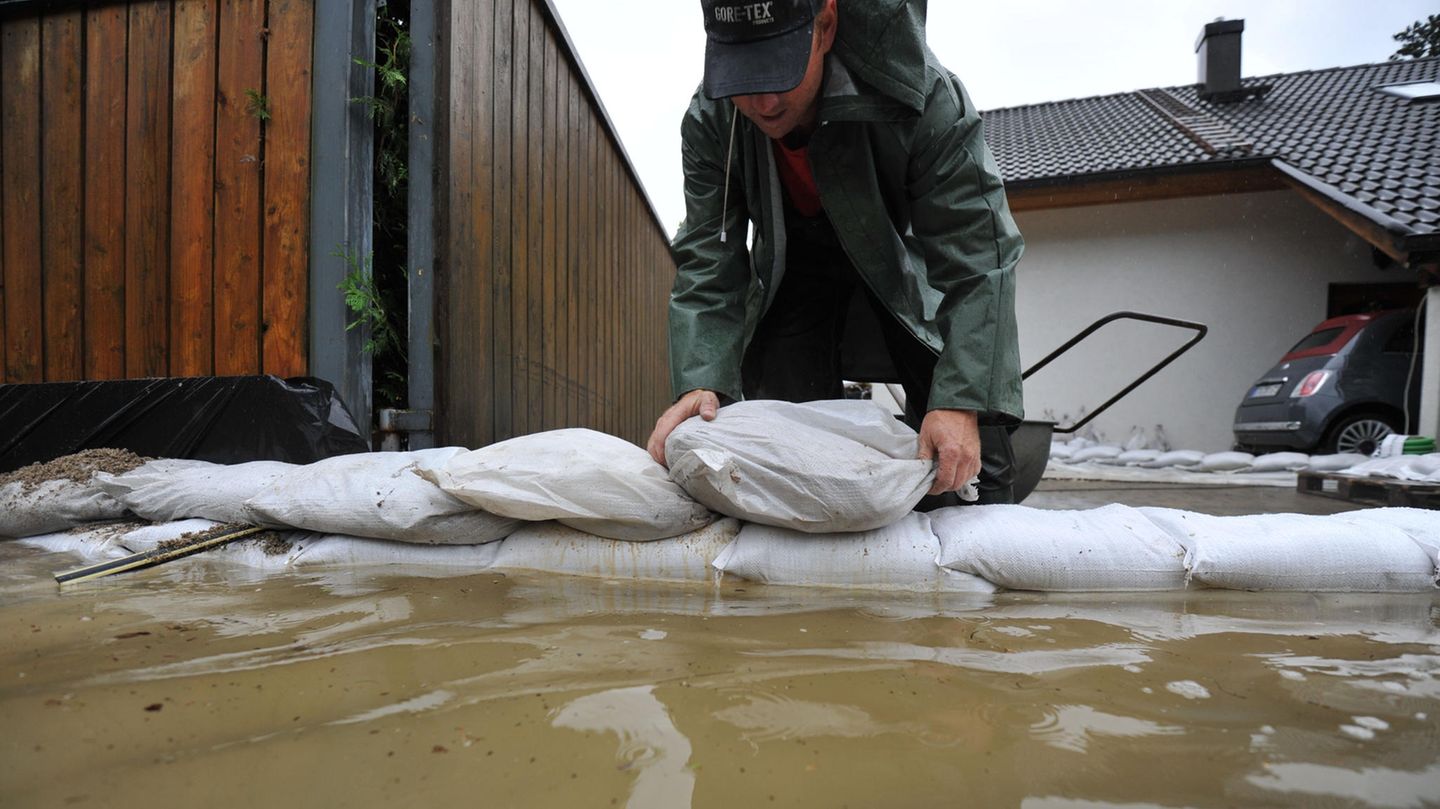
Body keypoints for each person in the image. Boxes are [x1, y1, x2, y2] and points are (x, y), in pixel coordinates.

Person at [646, 0, 1024, 504]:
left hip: (898, 265)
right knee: (775, 454)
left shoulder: (923, 95)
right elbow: (710, 258)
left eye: (777, 70)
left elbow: (978, 253)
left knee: (976, 468)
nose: (762, 102)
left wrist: (963, 401)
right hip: (793, 272)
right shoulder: (712, 119)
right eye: (742, 75)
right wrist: (700, 381)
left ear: (825, 25)